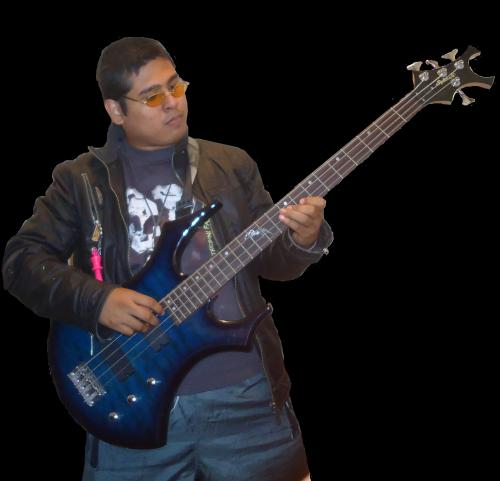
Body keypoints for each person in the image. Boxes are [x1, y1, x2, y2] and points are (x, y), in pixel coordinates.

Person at [2, 37, 333, 481]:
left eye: (176, 86)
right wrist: (98, 300)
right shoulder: (79, 181)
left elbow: (274, 262)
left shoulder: (229, 164)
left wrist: (304, 239)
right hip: (130, 398)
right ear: (116, 110)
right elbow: (22, 261)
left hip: (246, 397)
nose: (173, 102)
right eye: (153, 96)